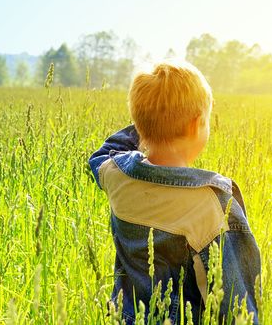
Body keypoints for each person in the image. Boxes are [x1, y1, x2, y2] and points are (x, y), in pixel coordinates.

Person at [88, 60, 261, 324]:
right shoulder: (212, 205)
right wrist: (157, 117)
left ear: (138, 122)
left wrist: (149, 120)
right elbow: (238, 310)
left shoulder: (118, 176)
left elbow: (101, 155)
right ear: (195, 125)